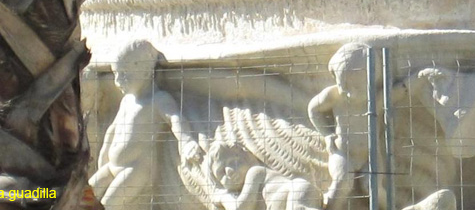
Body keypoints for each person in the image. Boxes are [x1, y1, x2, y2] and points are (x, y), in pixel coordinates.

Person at [89, 40, 202, 209]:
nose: (118, 81)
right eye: (115, 75)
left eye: (124, 74)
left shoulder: (158, 100)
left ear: (144, 69)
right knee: (83, 195)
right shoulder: (127, 100)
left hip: (135, 171)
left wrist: (186, 142)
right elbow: (113, 129)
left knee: (107, 204)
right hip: (111, 167)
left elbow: (175, 119)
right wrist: (105, 154)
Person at [307, 43, 371, 210]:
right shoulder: (334, 96)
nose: (349, 93)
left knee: (374, 187)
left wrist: (419, 79)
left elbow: (398, 93)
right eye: (344, 86)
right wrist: (327, 133)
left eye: (356, 87)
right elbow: (313, 110)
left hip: (370, 156)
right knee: (343, 180)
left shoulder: (376, 97)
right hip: (341, 152)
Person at [206, 141, 323, 210]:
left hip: (297, 191)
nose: (229, 171)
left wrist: (223, 198)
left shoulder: (256, 172)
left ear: (246, 157)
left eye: (233, 162)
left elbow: (240, 207)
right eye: (221, 172)